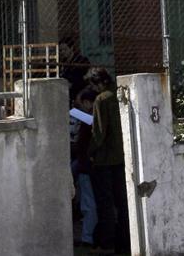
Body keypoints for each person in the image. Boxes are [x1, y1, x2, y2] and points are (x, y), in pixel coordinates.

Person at [86, 67, 129, 254]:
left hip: (104, 160)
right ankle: (125, 242)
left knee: (105, 204)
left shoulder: (101, 99)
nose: (92, 88)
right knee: (122, 203)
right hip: (120, 157)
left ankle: (107, 244)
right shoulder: (120, 94)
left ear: (100, 82)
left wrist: (90, 152)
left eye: (93, 84)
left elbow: (99, 131)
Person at [70, 88, 99, 249]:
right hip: (87, 165)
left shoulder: (89, 119)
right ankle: (88, 236)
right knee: (88, 201)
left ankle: (87, 238)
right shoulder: (92, 118)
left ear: (88, 103)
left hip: (86, 166)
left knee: (88, 203)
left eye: (81, 103)